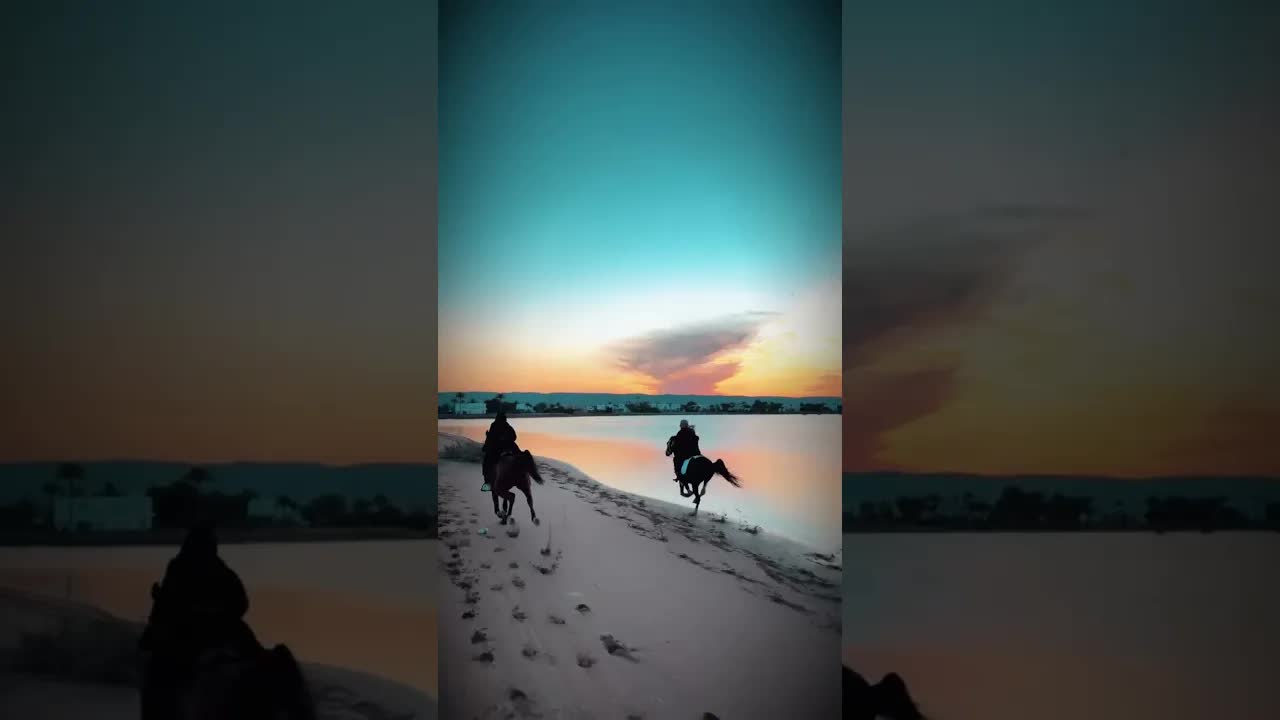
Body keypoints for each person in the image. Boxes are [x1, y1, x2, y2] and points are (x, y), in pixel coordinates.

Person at [139, 525, 259, 719]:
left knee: (159, 671)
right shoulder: (217, 569)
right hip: (212, 628)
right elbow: (241, 603)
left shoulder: (189, 567)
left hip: (197, 630)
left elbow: (240, 603)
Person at [481, 410, 520, 492]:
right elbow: (514, 437)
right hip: (505, 447)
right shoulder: (506, 426)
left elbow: (490, 437)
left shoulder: (495, 425)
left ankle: (487, 483)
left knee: (486, 463)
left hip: (498, 448)